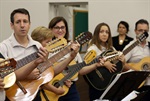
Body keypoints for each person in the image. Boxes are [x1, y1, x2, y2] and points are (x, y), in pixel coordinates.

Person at [0, 8, 49, 101]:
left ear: (29, 24)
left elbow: (42, 73)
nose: (22, 25)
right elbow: (5, 76)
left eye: (25, 21)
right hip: (12, 96)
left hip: (33, 94)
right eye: (18, 22)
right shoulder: (3, 47)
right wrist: (27, 74)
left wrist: (45, 62)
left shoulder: (37, 46)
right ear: (12, 25)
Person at [81, 22, 126, 101]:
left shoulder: (111, 49)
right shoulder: (92, 49)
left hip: (109, 85)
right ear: (96, 34)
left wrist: (123, 61)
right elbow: (83, 68)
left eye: (107, 32)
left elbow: (117, 65)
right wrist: (104, 64)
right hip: (97, 85)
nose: (104, 34)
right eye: (101, 32)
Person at [31, 26, 73, 96]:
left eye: (51, 41)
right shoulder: (31, 57)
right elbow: (40, 80)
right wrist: (56, 90)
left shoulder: (47, 54)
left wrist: (63, 80)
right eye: (47, 42)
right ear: (37, 42)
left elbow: (50, 73)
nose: (50, 44)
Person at [124, 19, 150, 101]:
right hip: (136, 85)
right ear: (135, 31)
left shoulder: (149, 46)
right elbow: (121, 63)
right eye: (140, 30)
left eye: (145, 30)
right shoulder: (130, 46)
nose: (143, 32)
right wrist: (138, 71)